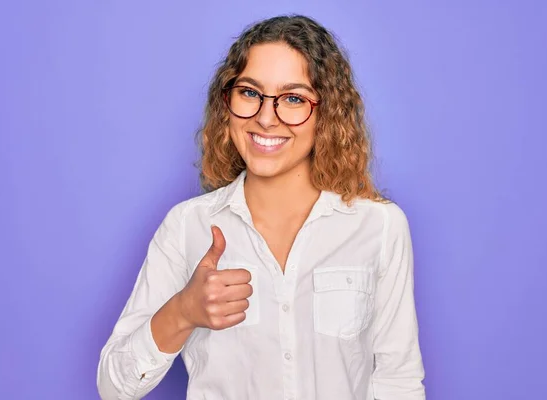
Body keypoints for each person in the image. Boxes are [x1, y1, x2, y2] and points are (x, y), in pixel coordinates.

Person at [97, 14, 425, 400]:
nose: (266, 118)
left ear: (327, 113)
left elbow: (398, 382)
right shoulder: (187, 227)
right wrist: (183, 311)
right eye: (250, 92)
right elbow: (113, 386)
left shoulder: (380, 226)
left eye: (293, 99)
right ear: (227, 101)